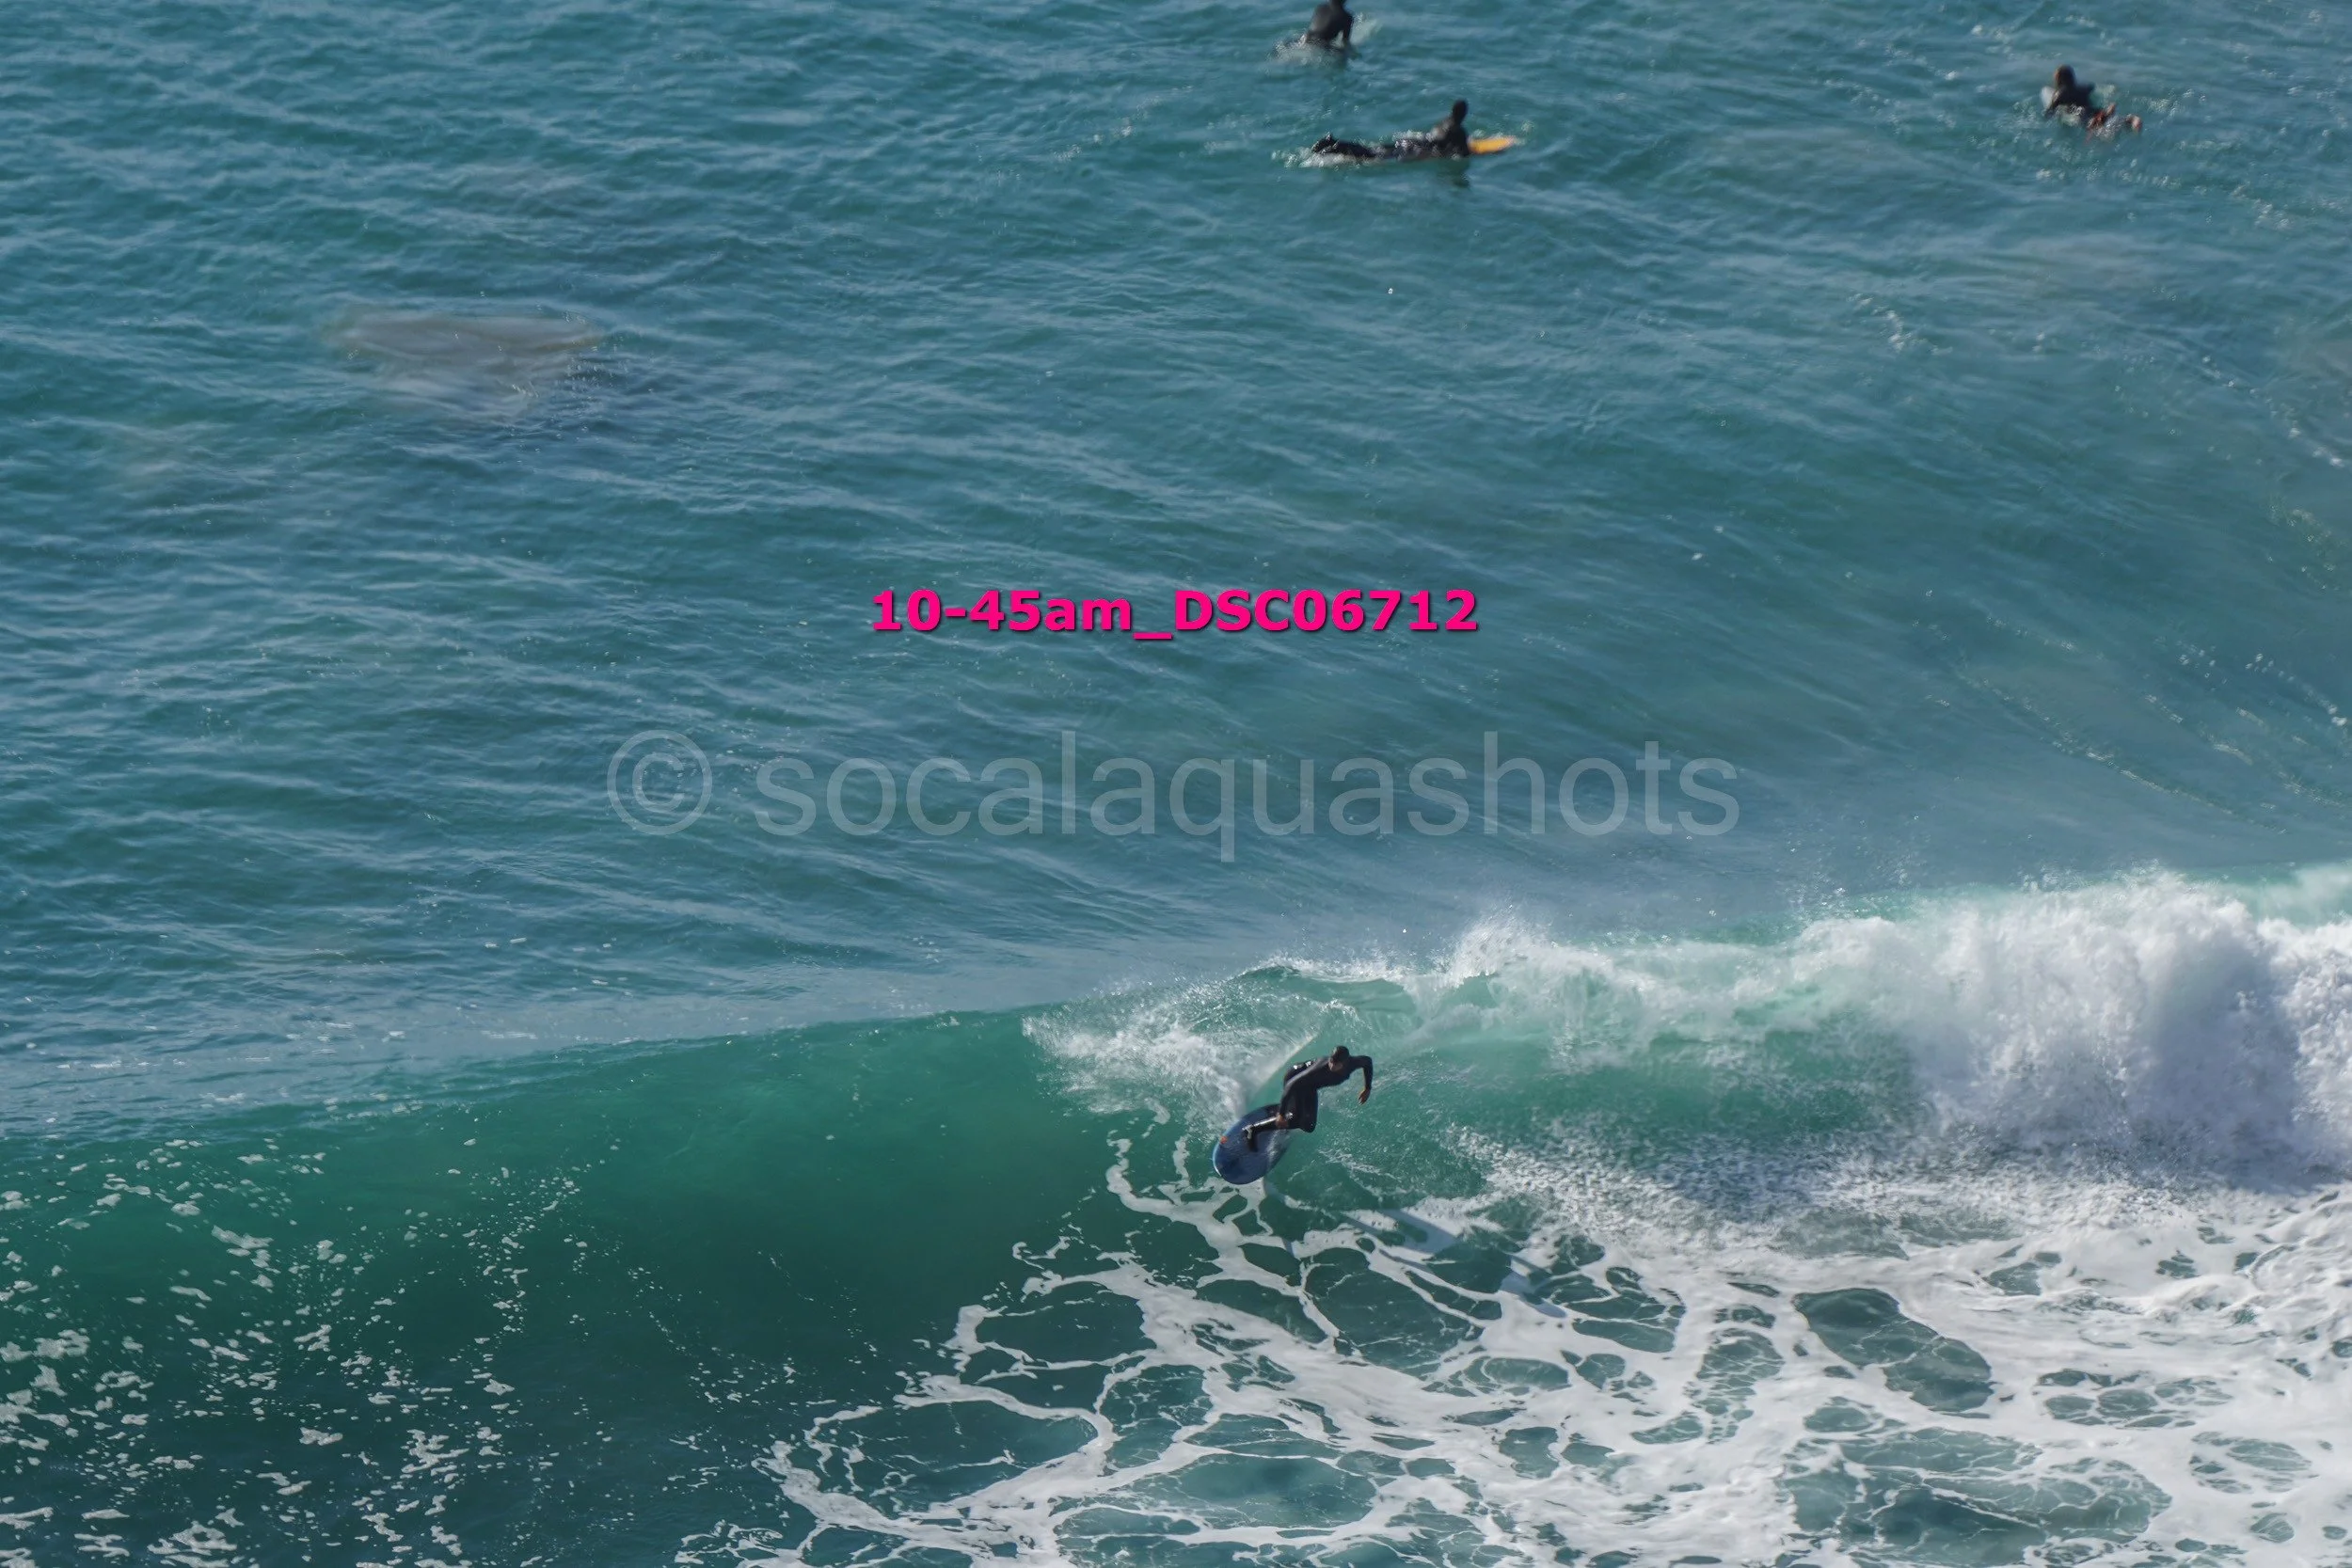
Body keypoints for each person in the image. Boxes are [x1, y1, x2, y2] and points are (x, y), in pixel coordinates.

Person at [1241, 1043, 1374, 1150]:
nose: (1332, 1065)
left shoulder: (1354, 1062)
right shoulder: (1320, 1069)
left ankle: (1286, 1112)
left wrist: (1367, 1088)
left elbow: (1368, 1062)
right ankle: (1253, 1129)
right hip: (1295, 1079)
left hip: (1310, 1086)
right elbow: (1291, 1086)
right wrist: (1281, 1115)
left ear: (1345, 1063)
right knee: (1295, 1120)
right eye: (1331, 1061)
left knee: (1309, 1126)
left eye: (1336, 1063)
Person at [1312, 100, 1472, 162]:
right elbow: (1464, 153)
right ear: (1463, 114)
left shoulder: (1443, 122)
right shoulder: (1458, 131)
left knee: (1373, 150)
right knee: (1372, 155)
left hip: (1410, 142)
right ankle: (1337, 146)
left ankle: (1335, 143)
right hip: (1415, 149)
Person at [2043, 66, 2140, 135]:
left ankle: (2106, 116)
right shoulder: (2084, 87)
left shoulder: (2059, 95)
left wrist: (2051, 115)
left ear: (2059, 80)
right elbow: (2093, 87)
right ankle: (2130, 119)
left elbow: (2049, 112)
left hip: (2081, 113)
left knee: (2096, 127)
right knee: (2108, 119)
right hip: (2093, 109)